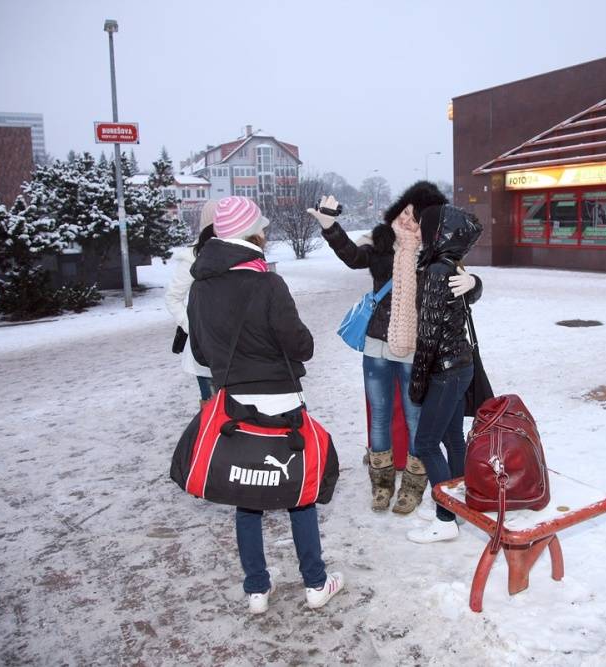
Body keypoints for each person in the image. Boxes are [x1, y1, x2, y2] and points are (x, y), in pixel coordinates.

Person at [187, 196, 344, 614]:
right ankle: (315, 583)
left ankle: (256, 589)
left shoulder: (200, 285)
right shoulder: (267, 282)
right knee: (300, 492)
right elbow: (301, 346)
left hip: (234, 404)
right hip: (281, 400)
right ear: (253, 234)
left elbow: (201, 353)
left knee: (247, 494)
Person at [310, 182, 471, 515]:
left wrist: (474, 283)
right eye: (406, 211)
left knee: (415, 420)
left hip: (414, 350)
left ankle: (413, 486)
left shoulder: (437, 253)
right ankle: (380, 485)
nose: (409, 221)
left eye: (418, 217)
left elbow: (462, 290)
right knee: (380, 417)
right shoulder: (381, 242)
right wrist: (330, 227)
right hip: (376, 347)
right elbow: (353, 257)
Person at [406, 204, 483, 544]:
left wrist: (418, 382)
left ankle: (445, 518)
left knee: (425, 443)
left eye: (426, 226)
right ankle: (459, 505)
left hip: (445, 371)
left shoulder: (438, 269)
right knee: (452, 439)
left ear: (439, 232)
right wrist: (476, 283)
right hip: (459, 367)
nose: (421, 231)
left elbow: (428, 336)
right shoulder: (447, 264)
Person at [165, 199, 217, 405]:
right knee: (213, 407)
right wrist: (193, 327)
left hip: (236, 348)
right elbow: (173, 297)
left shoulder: (239, 252)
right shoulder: (192, 258)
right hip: (203, 349)